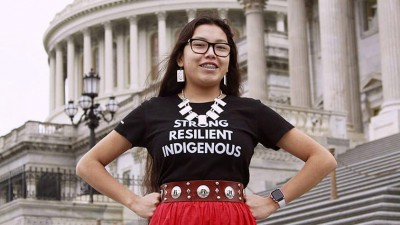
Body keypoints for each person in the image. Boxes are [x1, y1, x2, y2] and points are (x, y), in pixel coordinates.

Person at [76, 15, 337, 225]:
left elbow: (322, 159)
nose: (211, 53)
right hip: (173, 218)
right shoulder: (152, 111)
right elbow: (88, 164)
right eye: (199, 45)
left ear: (228, 60)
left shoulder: (250, 111)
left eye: (221, 48)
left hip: (233, 218)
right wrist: (133, 202)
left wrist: (273, 201)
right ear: (180, 57)